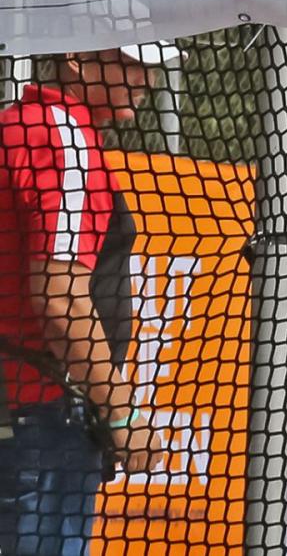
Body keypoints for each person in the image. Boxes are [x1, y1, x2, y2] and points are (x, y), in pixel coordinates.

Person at [0, 44, 173, 556]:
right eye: (133, 63)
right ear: (76, 57)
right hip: (39, 416)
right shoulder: (62, 138)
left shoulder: (22, 125)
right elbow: (60, 297)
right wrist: (122, 416)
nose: (147, 80)